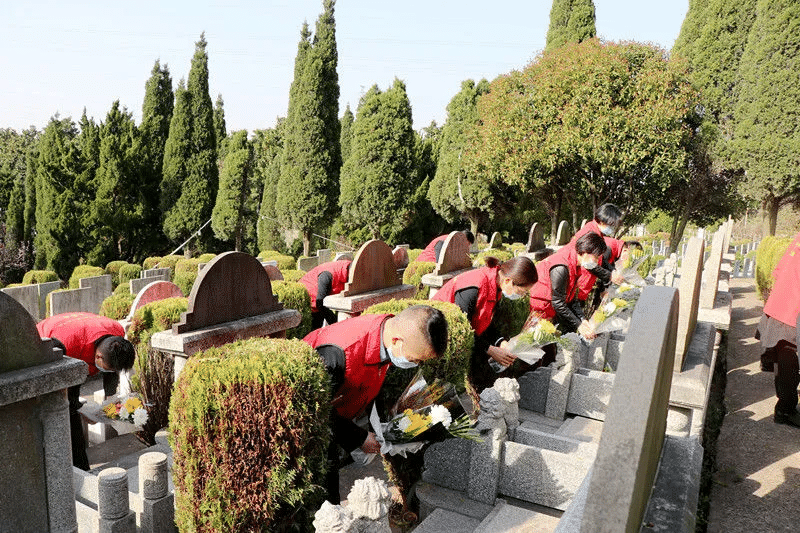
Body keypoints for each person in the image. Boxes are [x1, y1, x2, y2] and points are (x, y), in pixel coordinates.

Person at [303, 304, 448, 503]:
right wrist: (359, 438)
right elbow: (315, 409)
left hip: (340, 413)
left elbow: (371, 380)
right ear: (397, 341)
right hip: (308, 427)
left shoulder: (385, 333)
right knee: (325, 490)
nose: (417, 365)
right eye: (416, 359)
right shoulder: (337, 354)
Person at [36, 312, 136, 470]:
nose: (110, 371)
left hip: (79, 334)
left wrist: (109, 402)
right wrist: (79, 410)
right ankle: (77, 468)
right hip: (45, 346)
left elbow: (112, 370)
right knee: (69, 414)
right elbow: (68, 389)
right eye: (108, 368)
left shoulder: (116, 331)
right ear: (98, 357)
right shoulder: (67, 347)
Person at [431, 256, 537, 390]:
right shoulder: (474, 286)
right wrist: (489, 349)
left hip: (465, 341)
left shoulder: (496, 286)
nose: (522, 296)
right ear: (508, 281)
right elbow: (462, 329)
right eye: (522, 292)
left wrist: (500, 342)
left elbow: (484, 321)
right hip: (439, 337)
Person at [755, 231, 800, 427]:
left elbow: (779, 270)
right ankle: (785, 410)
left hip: (783, 302)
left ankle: (785, 408)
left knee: (784, 356)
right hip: (792, 309)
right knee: (789, 358)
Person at [529, 232, 608, 340]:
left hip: (552, 307)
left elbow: (571, 297)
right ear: (585, 252)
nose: (597, 261)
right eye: (596, 257)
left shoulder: (575, 263)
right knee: (537, 340)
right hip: (542, 307)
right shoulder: (561, 267)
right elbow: (558, 302)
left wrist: (582, 319)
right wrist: (579, 325)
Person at [572, 204, 626, 292]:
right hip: (579, 280)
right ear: (602, 221)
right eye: (612, 225)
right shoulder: (589, 233)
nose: (613, 228)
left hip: (586, 280)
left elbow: (600, 258)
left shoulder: (597, 232)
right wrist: (609, 276)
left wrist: (612, 270)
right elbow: (588, 263)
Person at [299, 259, 353, 330]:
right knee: (313, 330)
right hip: (310, 303)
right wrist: (336, 324)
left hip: (319, 302)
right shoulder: (327, 275)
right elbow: (320, 302)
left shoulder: (348, 269)